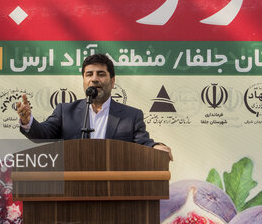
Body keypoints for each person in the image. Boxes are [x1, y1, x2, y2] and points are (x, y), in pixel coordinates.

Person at [17, 53, 173, 160]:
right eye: (89, 74)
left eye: (101, 74)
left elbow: (143, 143)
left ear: (112, 81)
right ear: (84, 80)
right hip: (72, 191)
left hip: (114, 192)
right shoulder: (65, 112)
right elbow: (42, 135)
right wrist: (27, 121)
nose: (94, 79)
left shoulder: (130, 116)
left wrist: (156, 147)